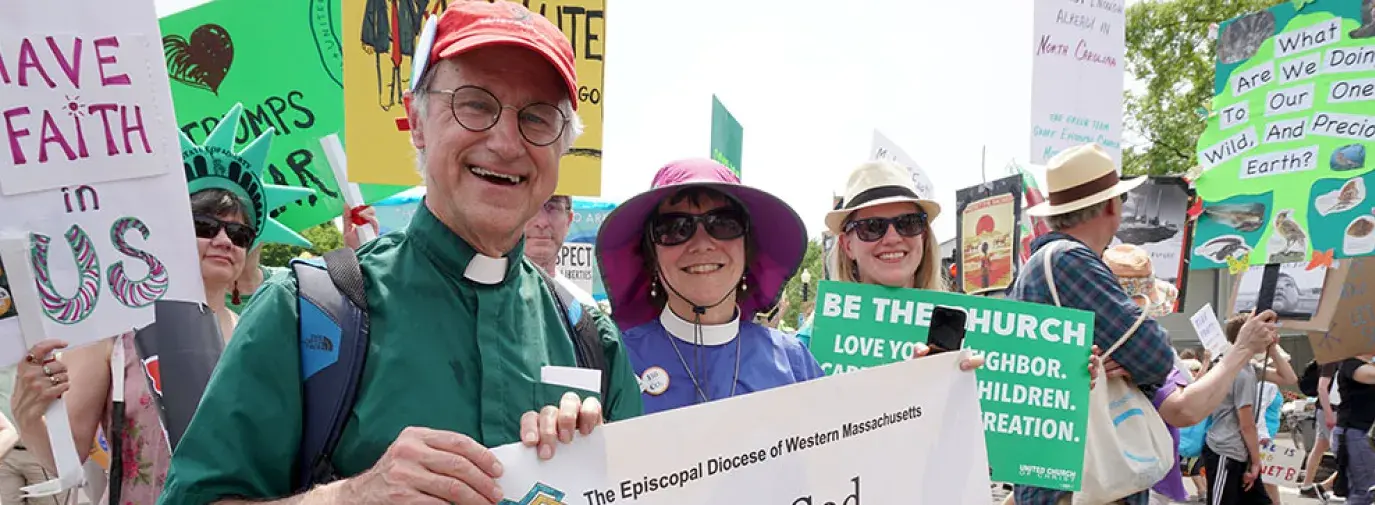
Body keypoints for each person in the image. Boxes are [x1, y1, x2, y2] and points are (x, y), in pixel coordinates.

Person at [161, 3, 643, 504]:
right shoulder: (309, 311)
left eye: (538, 117)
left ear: (562, 148)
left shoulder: (591, 339)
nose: (505, 142)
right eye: (475, 104)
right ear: (416, 121)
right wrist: (350, 496)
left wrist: (596, 472)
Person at [11, 104, 273, 504]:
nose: (224, 240)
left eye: (239, 234)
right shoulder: (116, 332)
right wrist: (30, 415)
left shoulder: (257, 333)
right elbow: (68, 456)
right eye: (205, 226)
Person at [1006, 144, 1177, 505]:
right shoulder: (1069, 260)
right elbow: (1157, 356)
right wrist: (1129, 365)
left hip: (1053, 476)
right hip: (1080, 485)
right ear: (1113, 206)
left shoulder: (1042, 264)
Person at [595, 159, 823, 414]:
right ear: (651, 254)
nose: (702, 244)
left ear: (747, 248)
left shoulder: (794, 364)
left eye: (724, 223)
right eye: (675, 228)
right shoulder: (614, 363)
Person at [1101, 244, 1282, 505]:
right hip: (1141, 477)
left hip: (1107, 476)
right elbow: (1185, 410)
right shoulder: (1152, 352)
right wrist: (1242, 349)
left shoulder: (1080, 345)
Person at [825, 160, 984, 369]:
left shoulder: (969, 333)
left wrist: (972, 388)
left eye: (908, 223)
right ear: (847, 245)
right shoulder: (813, 342)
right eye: (872, 227)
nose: (892, 238)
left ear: (924, 236)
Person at [1201, 314, 1284, 505]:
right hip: (1226, 450)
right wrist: (1256, 462)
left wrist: (1273, 351)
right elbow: (1246, 425)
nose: (1271, 335)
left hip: (1237, 452)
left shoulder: (1247, 367)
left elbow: (1289, 378)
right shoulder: (1242, 373)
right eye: (1266, 332)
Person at [526, 194, 597, 306]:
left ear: (569, 220)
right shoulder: (493, 300)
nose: (542, 222)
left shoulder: (582, 307)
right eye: (531, 206)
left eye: (552, 207)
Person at [1332, 353, 1375, 505]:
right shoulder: (1350, 363)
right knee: (1364, 492)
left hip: (1366, 434)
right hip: (1355, 433)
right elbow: (1370, 375)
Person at [1301, 360, 1342, 501]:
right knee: (1345, 454)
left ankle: (1307, 485)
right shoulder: (1334, 360)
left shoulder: (1333, 359)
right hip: (1332, 411)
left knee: (1320, 446)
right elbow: (1322, 388)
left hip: (1326, 410)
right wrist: (1329, 414)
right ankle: (1327, 486)